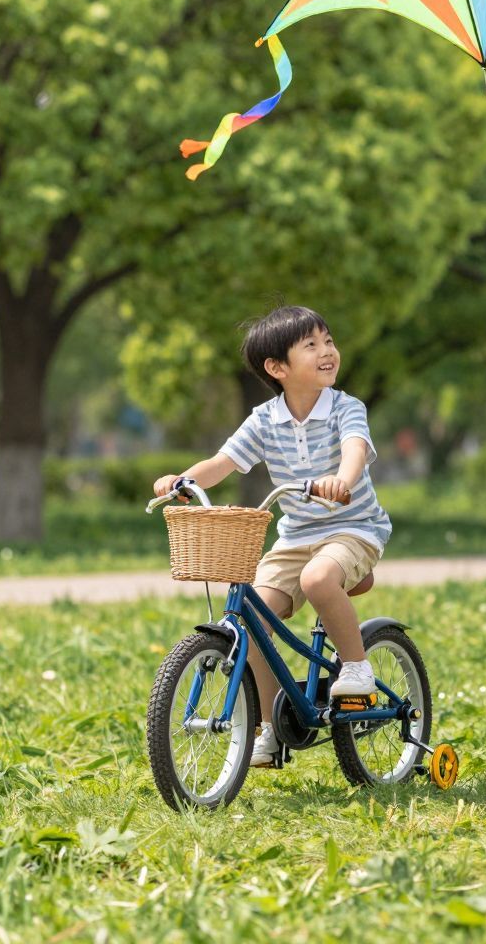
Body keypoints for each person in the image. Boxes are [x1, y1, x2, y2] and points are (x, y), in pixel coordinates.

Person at [152, 305, 392, 769]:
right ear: (277, 368)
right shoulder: (264, 420)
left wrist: (341, 479)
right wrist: (182, 480)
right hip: (295, 535)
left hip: (353, 528)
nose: (327, 351)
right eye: (311, 346)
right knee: (250, 625)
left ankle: (357, 668)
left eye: (328, 340)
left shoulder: (346, 407)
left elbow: (355, 449)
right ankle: (265, 727)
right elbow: (222, 463)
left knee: (319, 579)